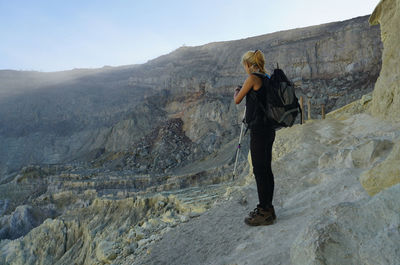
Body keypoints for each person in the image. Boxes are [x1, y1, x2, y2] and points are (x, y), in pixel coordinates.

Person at [233, 49, 277, 226]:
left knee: (259, 171)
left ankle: (263, 211)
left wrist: (236, 91)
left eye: (245, 64)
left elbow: (237, 100)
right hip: (269, 129)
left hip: (259, 131)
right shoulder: (266, 77)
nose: (245, 68)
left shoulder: (252, 78)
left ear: (248, 64)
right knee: (266, 169)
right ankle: (268, 208)